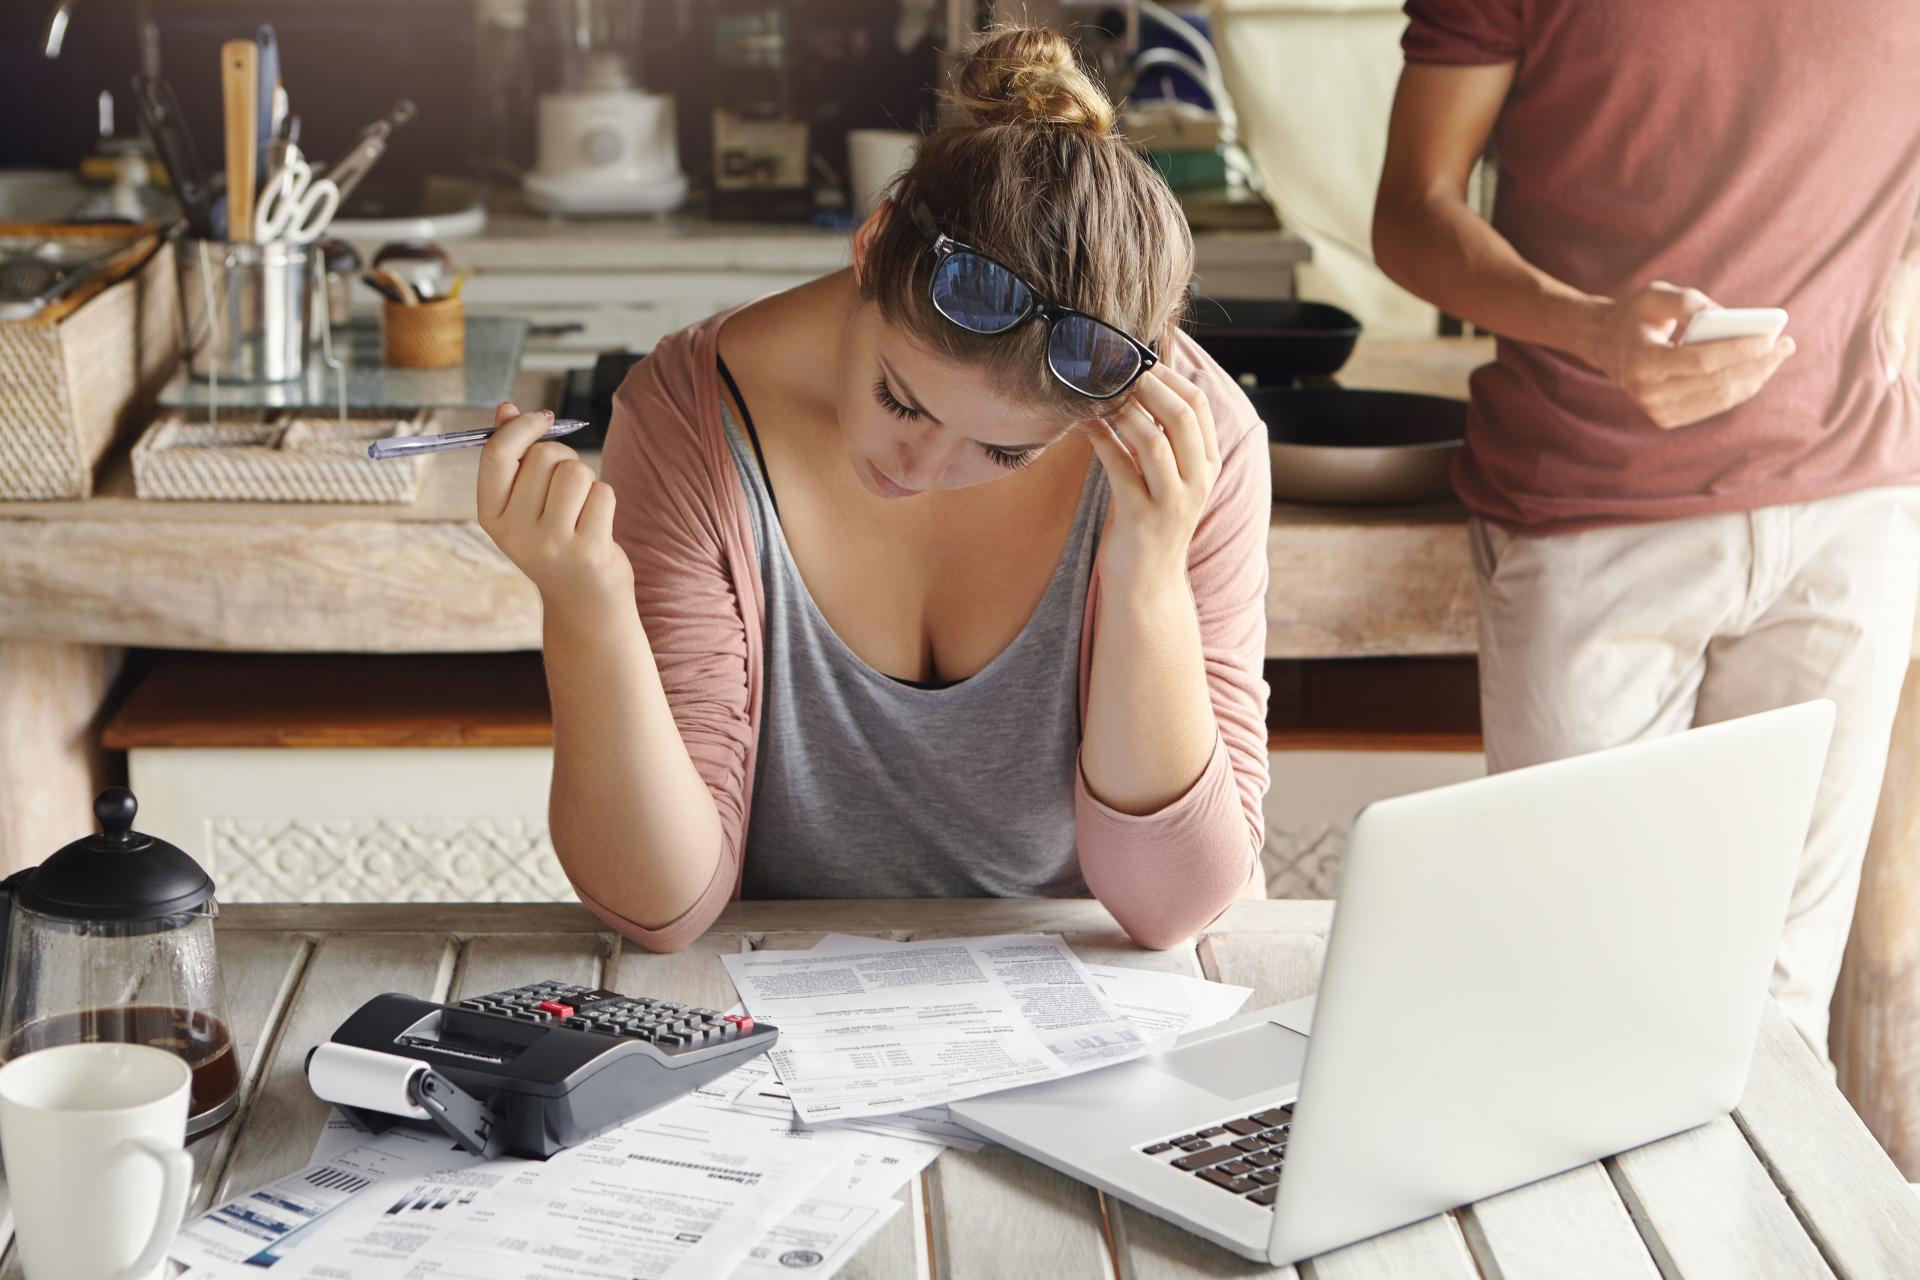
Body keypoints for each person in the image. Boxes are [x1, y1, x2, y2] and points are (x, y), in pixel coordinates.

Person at [475, 28, 1273, 953]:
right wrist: (588, 605)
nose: (918, 471)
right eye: (901, 398)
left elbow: (1172, 912)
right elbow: (661, 906)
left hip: (1096, 1014)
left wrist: (1147, 571)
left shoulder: (1186, 450)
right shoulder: (691, 416)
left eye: (1007, 453)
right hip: (785, 1021)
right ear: (873, 242)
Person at [1372, 1, 1920, 1057]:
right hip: (1592, 509)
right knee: (1578, 1006)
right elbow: (1411, 209)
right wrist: (1588, 327)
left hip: (1852, 512)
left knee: (1775, 1022)